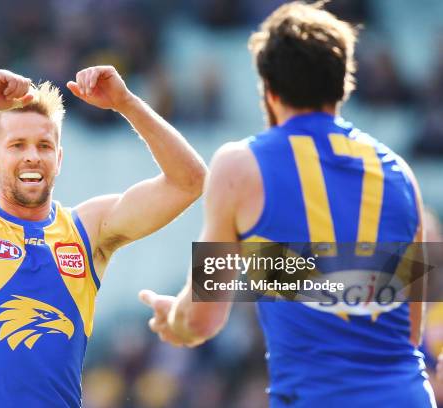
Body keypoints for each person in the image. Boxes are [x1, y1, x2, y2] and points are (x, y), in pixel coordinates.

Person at [140, 2, 436, 407]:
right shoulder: (400, 173)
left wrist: (173, 318)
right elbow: (410, 332)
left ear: (268, 89)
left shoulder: (239, 165)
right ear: (343, 85)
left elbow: (201, 317)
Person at [0, 65, 206, 407]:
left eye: (44, 145)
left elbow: (189, 182)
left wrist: (127, 102)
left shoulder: (89, 230)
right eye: (17, 145)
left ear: (58, 159)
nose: (32, 155)